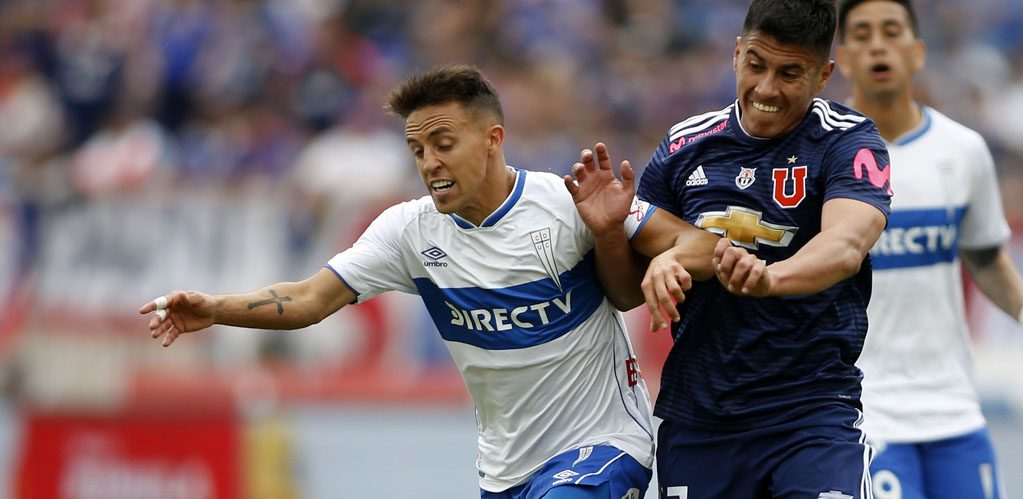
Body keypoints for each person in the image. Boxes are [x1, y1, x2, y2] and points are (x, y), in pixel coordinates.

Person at [138, 64, 717, 499]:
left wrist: (655, 256)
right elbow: (311, 299)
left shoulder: (564, 202)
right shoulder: (409, 232)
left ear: (493, 139)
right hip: (506, 467)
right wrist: (216, 308)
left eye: (444, 144)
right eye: (417, 149)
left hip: (606, 442)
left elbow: (696, 245)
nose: (429, 162)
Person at [604, 0, 893, 497]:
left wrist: (770, 279)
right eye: (756, 65)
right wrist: (617, 237)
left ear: (823, 75)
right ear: (737, 53)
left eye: (790, 73)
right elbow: (630, 290)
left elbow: (845, 245)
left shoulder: (850, 142)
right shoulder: (682, 147)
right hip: (701, 418)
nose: (766, 89)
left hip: (811, 416)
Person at [834, 1, 1023, 498]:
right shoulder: (822, 156)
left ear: (916, 52)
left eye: (891, 31)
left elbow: (984, 254)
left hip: (954, 408)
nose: (878, 43)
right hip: (863, 411)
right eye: (862, 33)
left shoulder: (962, 151)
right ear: (844, 58)